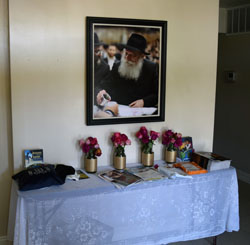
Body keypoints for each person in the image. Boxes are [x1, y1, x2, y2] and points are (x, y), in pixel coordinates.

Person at [102, 33, 159, 108]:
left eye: (133, 55)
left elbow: (157, 94)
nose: (127, 58)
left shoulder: (151, 68)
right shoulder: (117, 66)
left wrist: (144, 101)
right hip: (119, 110)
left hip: (142, 112)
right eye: (126, 53)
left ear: (142, 56)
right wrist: (102, 92)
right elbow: (106, 86)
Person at [93, 33, 118, 117]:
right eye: (96, 51)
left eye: (100, 51)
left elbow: (105, 87)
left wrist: (101, 93)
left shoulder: (104, 67)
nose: (100, 54)